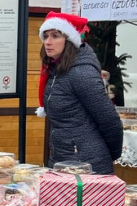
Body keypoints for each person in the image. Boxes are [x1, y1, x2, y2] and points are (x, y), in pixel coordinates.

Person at [37, 11, 123, 174]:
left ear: (69, 40)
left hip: (86, 163)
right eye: (45, 36)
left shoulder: (81, 73)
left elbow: (109, 120)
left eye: (55, 36)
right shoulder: (55, 70)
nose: (48, 42)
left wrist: (107, 155)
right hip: (62, 157)